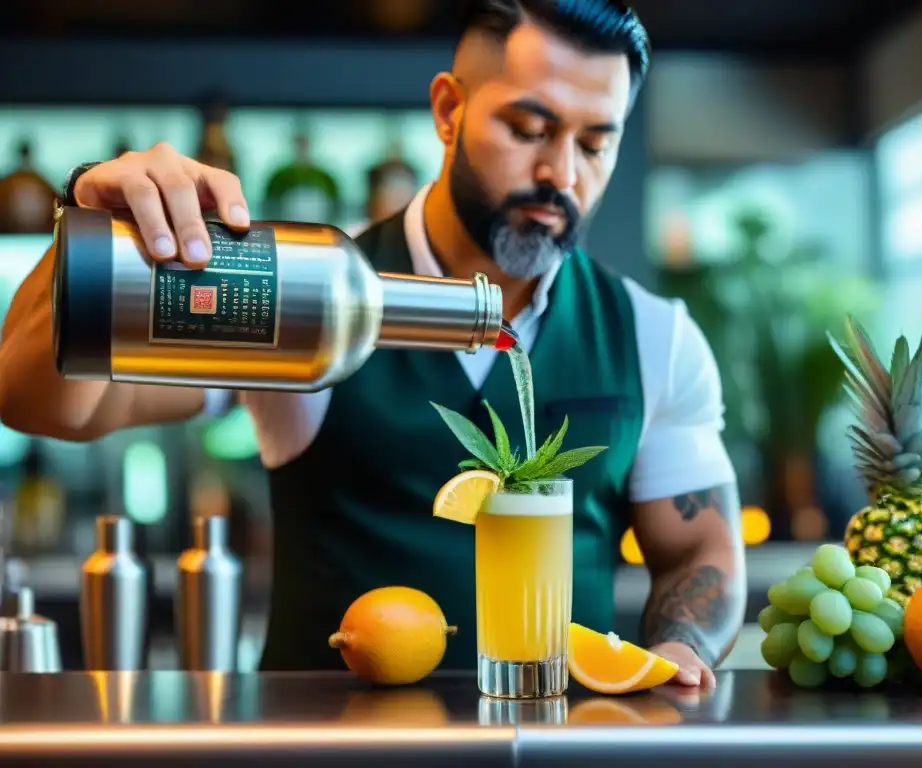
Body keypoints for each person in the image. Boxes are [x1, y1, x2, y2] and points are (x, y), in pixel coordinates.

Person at [0, 0, 745, 689]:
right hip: (323, 750)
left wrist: (681, 650)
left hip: (554, 740)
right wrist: (85, 226)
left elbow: (699, 552)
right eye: (528, 129)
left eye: (595, 143)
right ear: (449, 111)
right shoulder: (303, 295)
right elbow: (47, 405)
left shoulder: (653, 334)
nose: (562, 174)